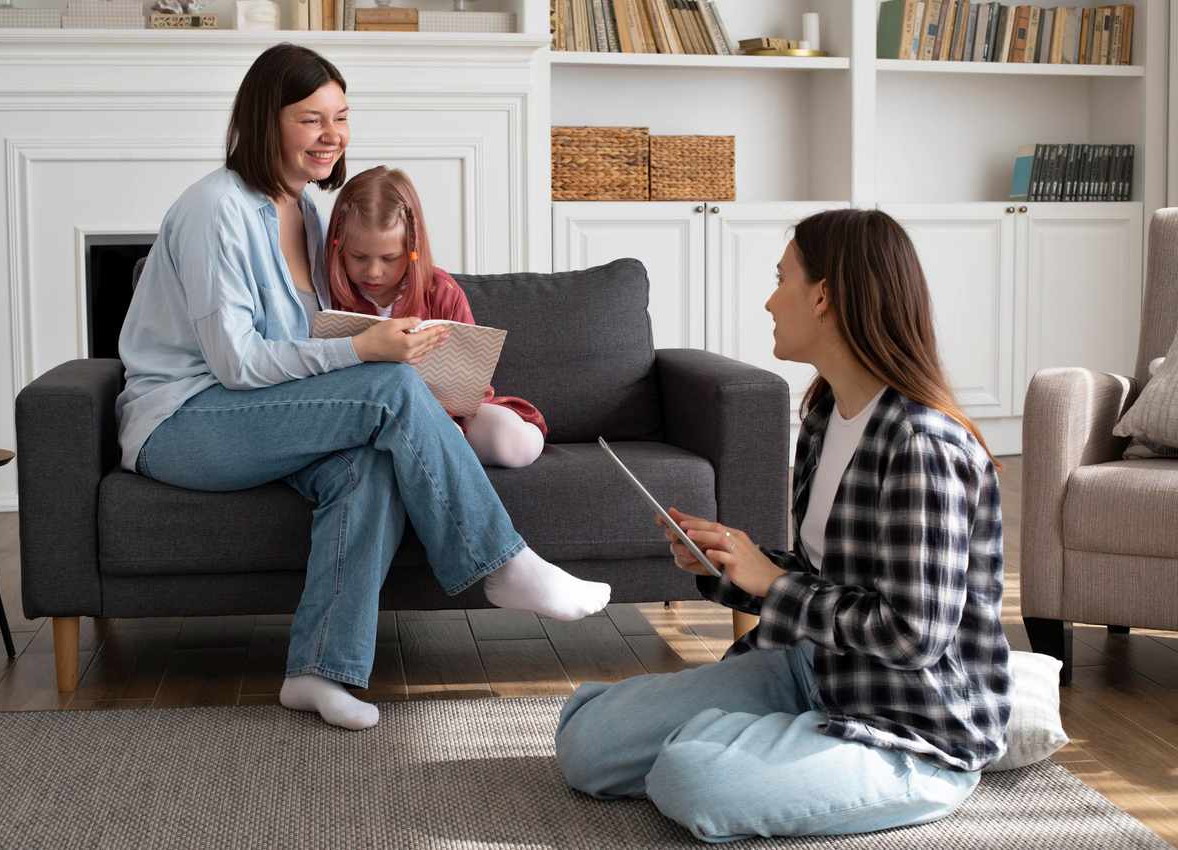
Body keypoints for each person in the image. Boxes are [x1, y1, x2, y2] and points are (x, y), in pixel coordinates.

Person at [115, 43, 610, 732]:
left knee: (369, 464)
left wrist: (379, 342)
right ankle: (502, 563)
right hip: (185, 421)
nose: (331, 136)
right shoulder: (214, 210)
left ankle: (318, 670)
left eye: (341, 117)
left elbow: (307, 341)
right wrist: (364, 349)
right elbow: (235, 364)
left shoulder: (313, 214)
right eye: (311, 119)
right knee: (391, 387)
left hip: (256, 415)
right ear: (265, 121)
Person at [554, 209, 1011, 841]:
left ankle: (740, 749)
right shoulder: (827, 415)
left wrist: (772, 584)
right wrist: (731, 564)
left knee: (692, 779)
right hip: (812, 667)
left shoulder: (922, 446)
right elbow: (824, 580)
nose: (770, 300)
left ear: (823, 295)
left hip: (909, 725)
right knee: (588, 745)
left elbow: (914, 636)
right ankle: (751, 743)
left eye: (781, 278)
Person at [322, 165, 547, 468]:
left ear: (412, 249)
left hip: (451, 411)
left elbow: (472, 377)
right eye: (359, 257)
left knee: (513, 441)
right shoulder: (328, 294)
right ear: (338, 247)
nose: (374, 272)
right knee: (436, 437)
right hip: (369, 417)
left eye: (390, 258)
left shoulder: (441, 291)